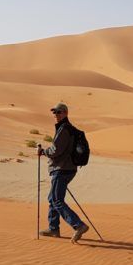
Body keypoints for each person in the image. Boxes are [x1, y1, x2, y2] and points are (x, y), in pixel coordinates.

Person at [38, 102, 90, 243]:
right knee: (52, 198)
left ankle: (78, 225)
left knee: (57, 200)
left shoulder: (65, 129)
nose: (56, 115)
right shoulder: (67, 128)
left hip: (62, 169)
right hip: (67, 168)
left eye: (59, 112)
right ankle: (53, 228)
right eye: (54, 112)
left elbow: (56, 150)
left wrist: (44, 152)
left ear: (66, 113)